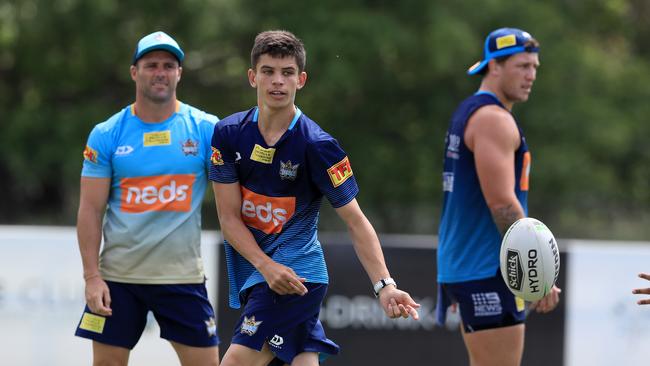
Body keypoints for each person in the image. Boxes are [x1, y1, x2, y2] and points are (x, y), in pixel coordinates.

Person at [209, 30, 420, 366]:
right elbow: (229, 219)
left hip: (296, 276)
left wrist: (385, 286)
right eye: (268, 72)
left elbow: (356, 220)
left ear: (301, 80)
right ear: (252, 77)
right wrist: (266, 266)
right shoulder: (228, 134)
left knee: (236, 362)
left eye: (287, 73)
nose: (278, 81)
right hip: (264, 274)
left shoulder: (318, 145)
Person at [74, 31, 220, 366]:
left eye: (169, 65)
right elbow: (90, 209)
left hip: (181, 277)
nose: (160, 72)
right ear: (134, 72)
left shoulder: (205, 129)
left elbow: (234, 200)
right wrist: (91, 277)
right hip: (118, 279)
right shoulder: (107, 133)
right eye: (151, 64)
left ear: (179, 73)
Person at [435, 27, 562, 366]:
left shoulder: (472, 111)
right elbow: (503, 204)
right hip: (488, 267)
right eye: (522, 66)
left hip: (473, 264)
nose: (531, 75)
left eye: (534, 67)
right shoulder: (493, 119)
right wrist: (537, 268)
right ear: (494, 66)